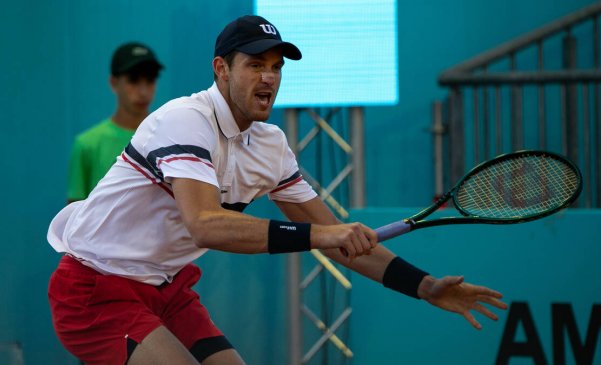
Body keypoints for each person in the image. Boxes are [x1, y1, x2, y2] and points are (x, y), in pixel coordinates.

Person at [47, 15, 507, 365]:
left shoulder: (270, 145)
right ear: (221, 69)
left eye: (275, 67)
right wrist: (321, 237)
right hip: (95, 287)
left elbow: (340, 238)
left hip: (168, 288)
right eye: (255, 65)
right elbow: (204, 225)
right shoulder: (183, 119)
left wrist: (424, 286)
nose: (268, 77)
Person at [67, 42, 163, 203]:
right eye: (133, 80)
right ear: (113, 83)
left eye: (150, 80)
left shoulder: (168, 137)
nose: (143, 91)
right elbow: (74, 217)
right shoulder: (87, 144)